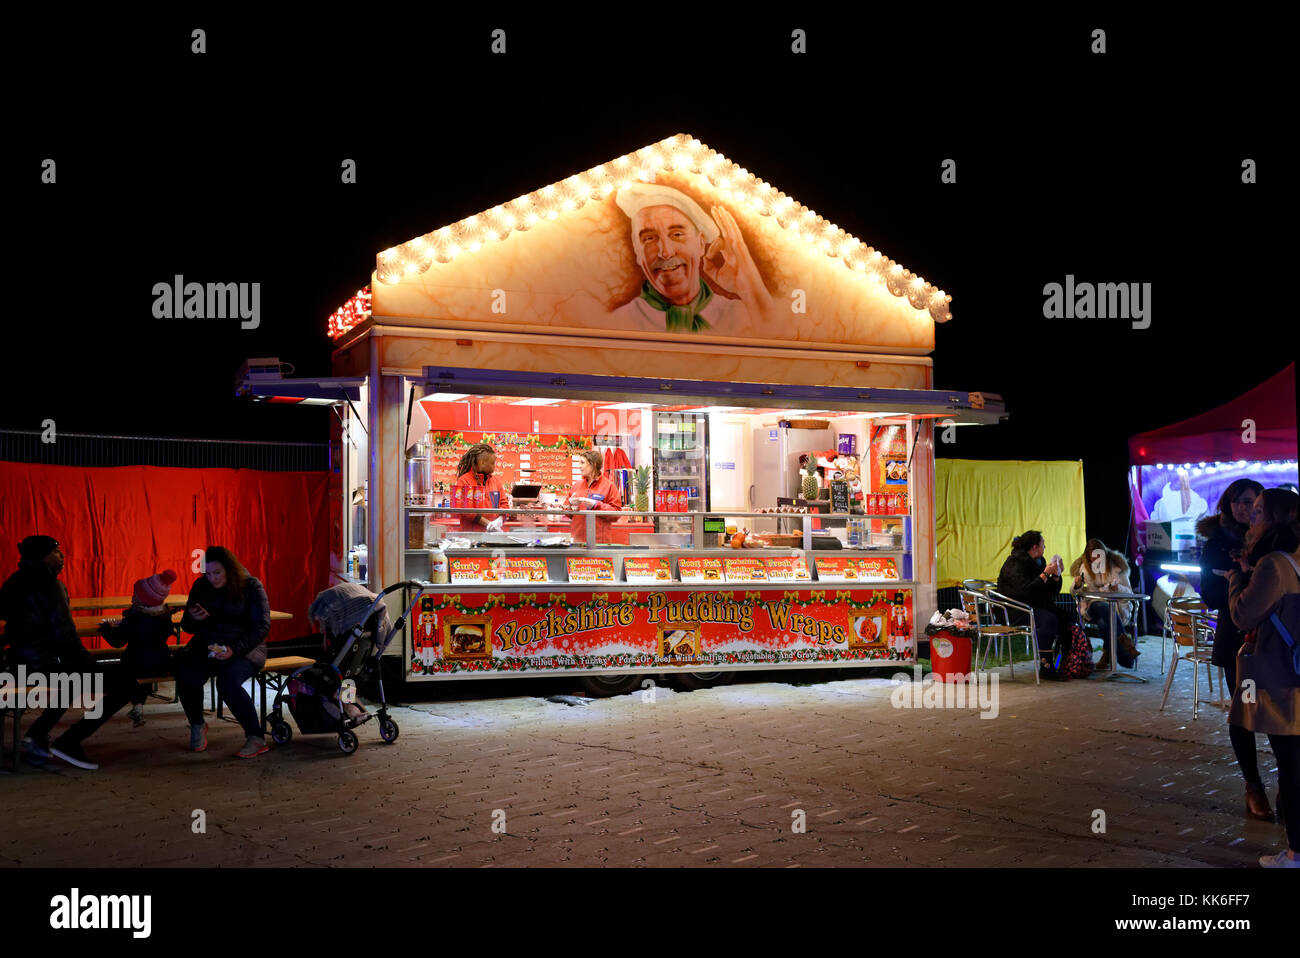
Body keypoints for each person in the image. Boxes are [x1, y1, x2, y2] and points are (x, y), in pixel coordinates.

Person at [1225, 488, 1300, 867]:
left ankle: (1295, 852)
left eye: (1257, 513)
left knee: (1290, 764)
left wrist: (1237, 580)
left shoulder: (1273, 565)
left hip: (1281, 678)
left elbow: (1242, 614)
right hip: (1295, 671)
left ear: (1275, 518)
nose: (1250, 520)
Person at [46, 570, 178, 770]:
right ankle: (68, 740)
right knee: (113, 693)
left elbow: (117, 642)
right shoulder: (165, 616)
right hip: (158, 665)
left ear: (145, 600)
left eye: (137, 595)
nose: (133, 597)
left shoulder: (135, 618)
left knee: (99, 687)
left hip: (134, 668)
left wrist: (107, 628)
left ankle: (67, 739)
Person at [609, 183, 768, 333]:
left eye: (677, 235)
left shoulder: (744, 316)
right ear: (637, 250)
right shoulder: (615, 324)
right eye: (649, 238)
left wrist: (748, 288)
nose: (666, 252)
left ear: (700, 244)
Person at [1197, 478, 1267, 815]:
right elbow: (1208, 593)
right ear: (1228, 504)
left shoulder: (1271, 538)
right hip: (1236, 637)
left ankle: (1289, 787)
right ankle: (1253, 784)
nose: (1243, 507)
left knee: (1279, 712)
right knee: (1244, 712)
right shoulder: (1216, 542)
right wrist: (1239, 585)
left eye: (1249, 502)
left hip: (1273, 637)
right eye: (1237, 501)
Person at [0, 535, 91, 765]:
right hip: (40, 661)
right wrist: (84, 661)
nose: (62, 557)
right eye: (57, 552)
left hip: (16, 658)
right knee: (78, 680)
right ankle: (37, 736)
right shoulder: (51, 585)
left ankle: (34, 737)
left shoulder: (14, 581)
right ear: (43, 556)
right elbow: (65, 633)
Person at [173, 547, 271, 758]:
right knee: (185, 672)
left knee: (227, 682)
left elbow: (262, 627)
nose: (212, 578)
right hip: (208, 645)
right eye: (208, 573)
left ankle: (256, 737)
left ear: (229, 569)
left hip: (246, 648)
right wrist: (193, 618)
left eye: (217, 573)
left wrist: (234, 649)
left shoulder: (251, 586)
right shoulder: (201, 586)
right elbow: (187, 626)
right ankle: (197, 724)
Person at [996, 530, 1072, 656]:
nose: (1045, 547)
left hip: (1031, 606)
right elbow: (1025, 592)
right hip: (1014, 610)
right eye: (1043, 544)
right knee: (1049, 619)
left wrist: (1056, 575)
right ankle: (1045, 662)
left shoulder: (1038, 561)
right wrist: (1045, 574)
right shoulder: (1015, 563)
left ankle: (1063, 660)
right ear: (1035, 547)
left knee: (1066, 617)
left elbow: (1051, 591)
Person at [1070, 538, 1139, 669]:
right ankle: (1125, 650)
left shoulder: (1116, 568)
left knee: (1103, 622)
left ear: (1104, 554)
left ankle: (1108, 653)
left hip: (1116, 609)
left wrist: (1117, 588)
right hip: (1093, 607)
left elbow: (1129, 593)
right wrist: (1077, 585)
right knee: (1102, 607)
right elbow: (1075, 593)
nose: (1095, 561)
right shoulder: (1083, 569)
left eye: (1098, 557)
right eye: (1092, 558)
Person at [564, 449, 624, 544]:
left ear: (593, 464)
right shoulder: (577, 485)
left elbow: (616, 514)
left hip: (600, 543)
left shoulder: (609, 486)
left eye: (582, 463)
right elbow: (566, 511)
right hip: (577, 542)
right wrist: (570, 504)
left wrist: (596, 505)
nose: (579, 467)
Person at [451, 443, 509, 533]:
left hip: (492, 536)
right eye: (493, 463)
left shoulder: (496, 481)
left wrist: (500, 520)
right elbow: (465, 511)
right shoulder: (463, 481)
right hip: (470, 536)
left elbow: (504, 504)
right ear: (482, 463)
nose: (495, 466)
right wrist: (488, 524)